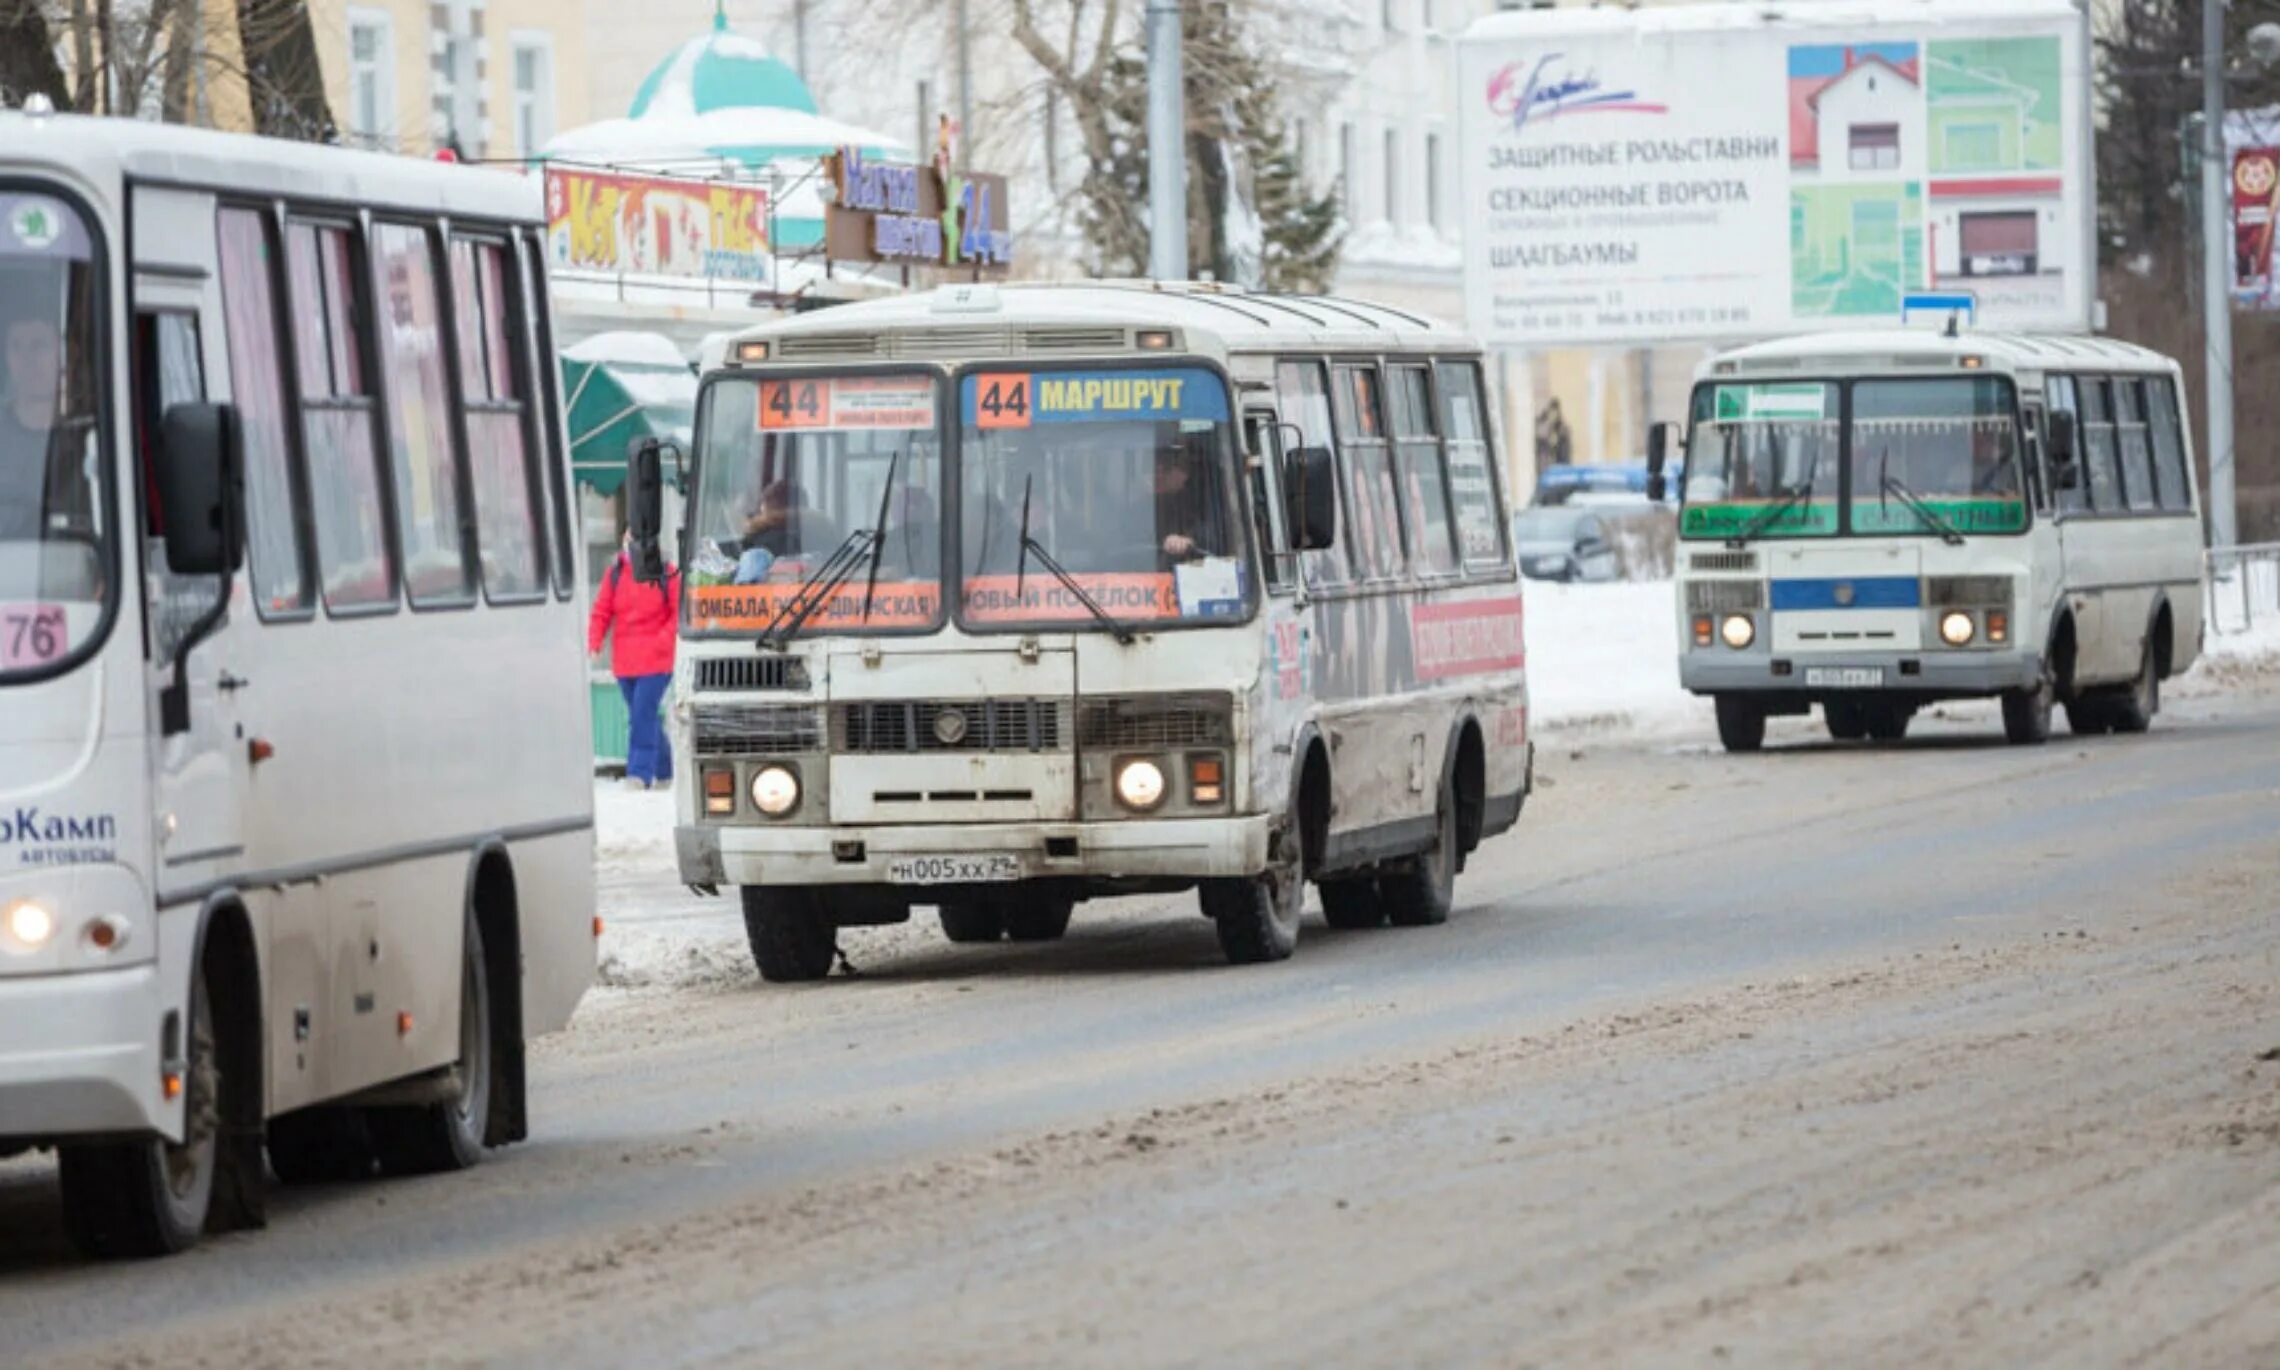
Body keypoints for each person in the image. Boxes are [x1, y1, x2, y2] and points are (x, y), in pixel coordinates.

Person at [588, 532, 681, 791]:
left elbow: (678, 613)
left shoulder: (667, 573)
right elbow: (602, 610)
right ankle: (665, 769)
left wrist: (661, 642)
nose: (630, 545)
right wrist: (595, 641)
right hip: (626, 662)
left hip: (657, 662)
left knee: (642, 714)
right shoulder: (616, 574)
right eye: (627, 539)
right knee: (644, 716)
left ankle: (639, 773)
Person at [0, 306, 67, 544]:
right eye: (16, 347)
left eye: (39, 345)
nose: (27, 360)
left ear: (63, 354)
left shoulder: (89, 438)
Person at [1152, 443, 1226, 562]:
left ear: (1186, 473)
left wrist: (1188, 540)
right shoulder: (1146, 507)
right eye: (1154, 469)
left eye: (1167, 468)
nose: (1158, 475)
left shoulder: (1210, 502)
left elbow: (1217, 537)